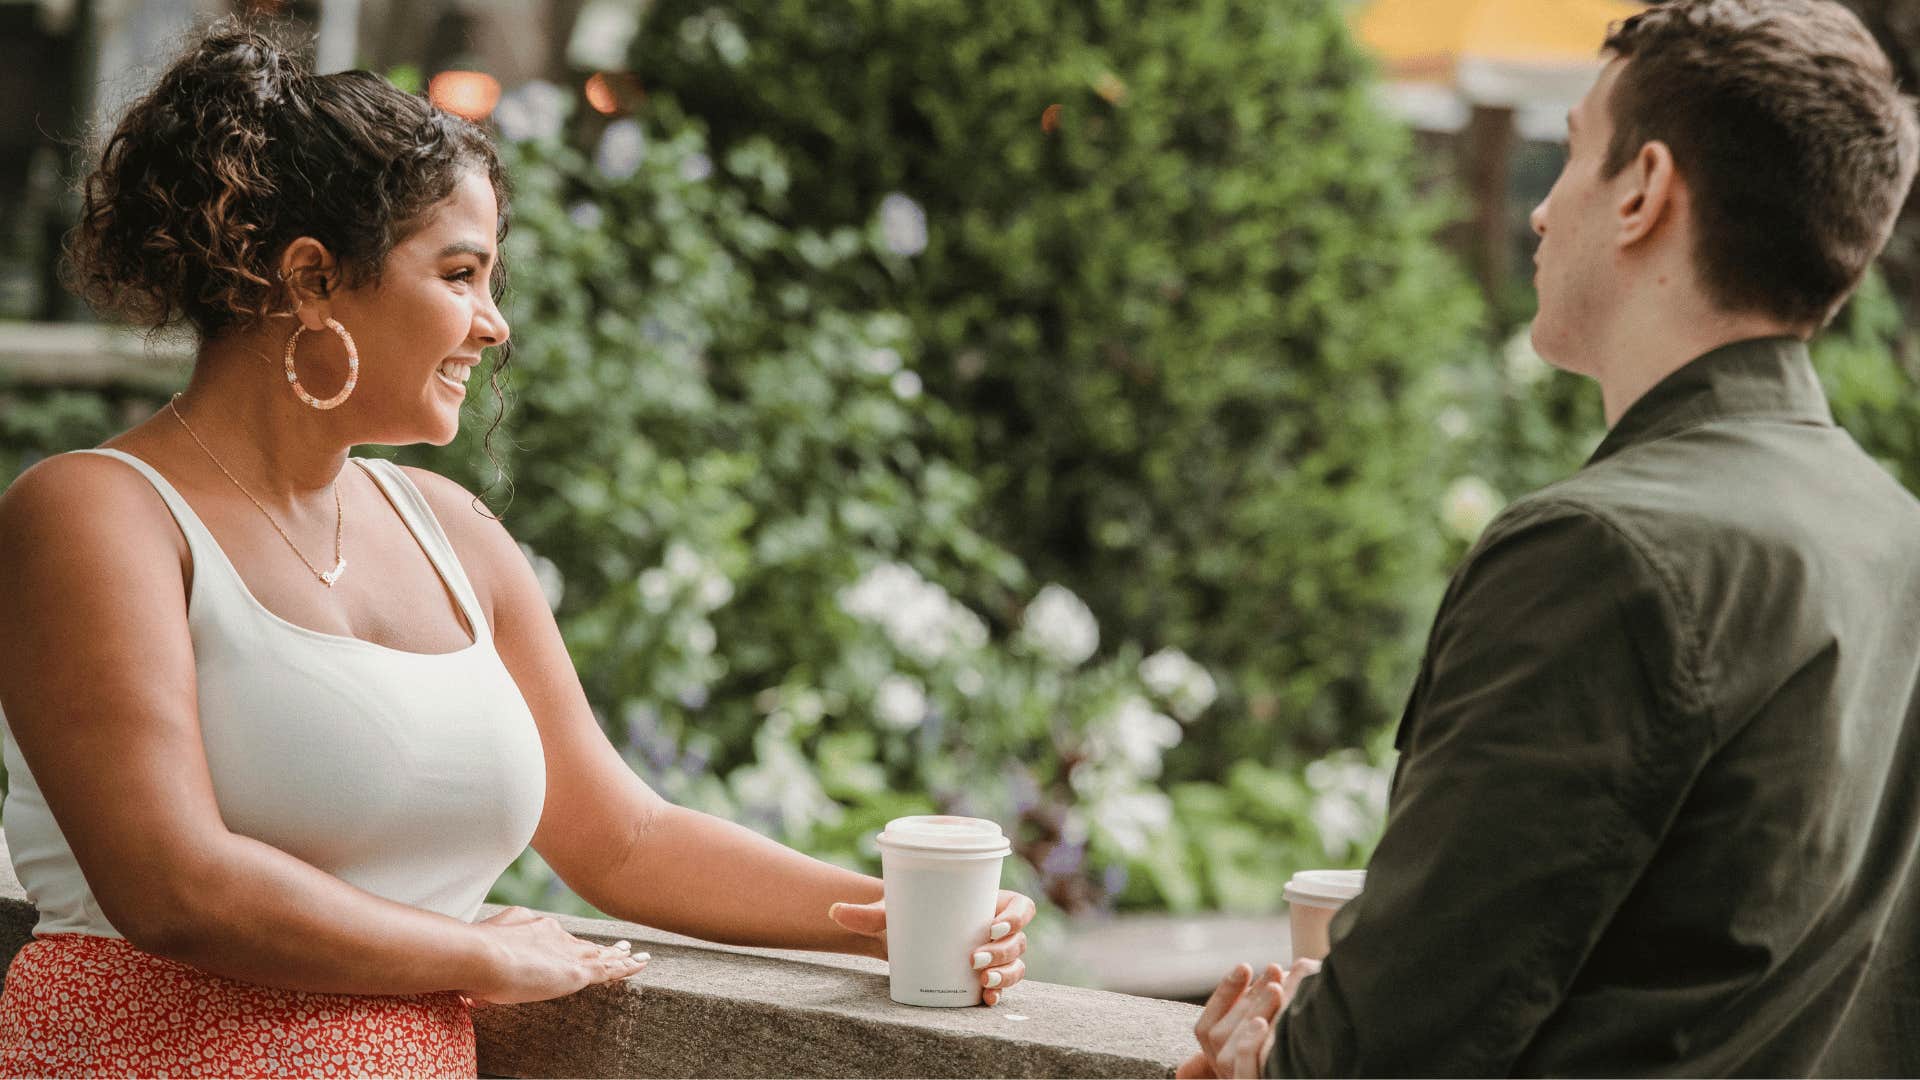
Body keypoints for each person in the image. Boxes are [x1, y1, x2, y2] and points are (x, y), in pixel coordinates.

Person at [0, 21, 1034, 1076]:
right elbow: (175, 887)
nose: (494, 325)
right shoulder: (92, 516)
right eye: (460, 274)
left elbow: (622, 838)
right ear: (312, 279)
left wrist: (888, 914)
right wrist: (476, 956)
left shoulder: (453, 537)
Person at [1183, 0, 1920, 1075]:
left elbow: (1382, 1055)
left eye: (1569, 153)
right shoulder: (1895, 534)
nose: (1539, 212)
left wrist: (1272, 1058)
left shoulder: (1603, 553)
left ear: (1645, 190)